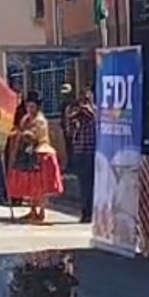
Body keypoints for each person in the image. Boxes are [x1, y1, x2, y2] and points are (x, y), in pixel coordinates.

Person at [5, 92, 63, 225]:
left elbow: (33, 136)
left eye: (32, 106)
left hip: (42, 154)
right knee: (31, 185)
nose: (30, 109)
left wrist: (22, 133)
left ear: (37, 107)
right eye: (28, 106)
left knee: (41, 185)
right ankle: (32, 210)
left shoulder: (40, 120)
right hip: (28, 154)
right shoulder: (26, 119)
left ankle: (41, 211)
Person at [61, 89, 97, 222]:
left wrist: (85, 109)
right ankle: (85, 211)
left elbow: (93, 116)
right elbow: (69, 132)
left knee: (92, 184)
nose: (84, 103)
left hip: (92, 153)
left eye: (87, 99)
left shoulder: (95, 111)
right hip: (80, 152)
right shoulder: (75, 115)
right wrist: (73, 118)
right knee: (83, 184)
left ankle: (92, 211)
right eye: (82, 99)